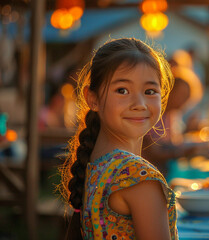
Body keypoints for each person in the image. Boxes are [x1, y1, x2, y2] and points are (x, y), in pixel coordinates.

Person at [60, 38, 178, 240]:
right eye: (122, 90)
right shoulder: (140, 179)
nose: (139, 104)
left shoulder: (95, 165)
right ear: (92, 99)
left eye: (150, 91)